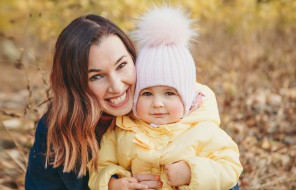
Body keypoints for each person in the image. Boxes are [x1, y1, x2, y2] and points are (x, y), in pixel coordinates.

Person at [89, 6, 243, 190]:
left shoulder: (203, 130)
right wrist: (114, 183)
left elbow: (230, 166)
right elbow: (100, 167)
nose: (157, 103)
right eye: (147, 93)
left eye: (169, 93)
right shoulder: (121, 130)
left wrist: (191, 172)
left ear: (186, 97)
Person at [25, 14, 164, 189]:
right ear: (76, 85)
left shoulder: (167, 103)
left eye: (121, 65)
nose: (117, 86)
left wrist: (188, 170)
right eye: (96, 76)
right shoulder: (57, 131)